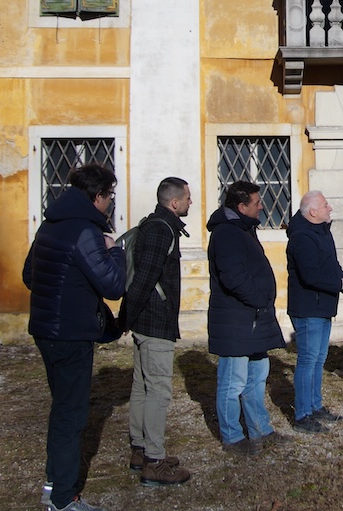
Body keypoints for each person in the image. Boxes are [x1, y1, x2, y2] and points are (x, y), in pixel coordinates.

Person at [23, 163, 124, 511]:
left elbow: (28, 276)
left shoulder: (49, 225)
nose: (110, 203)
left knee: (62, 409)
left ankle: (54, 485)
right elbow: (113, 285)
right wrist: (115, 251)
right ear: (96, 196)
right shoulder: (85, 232)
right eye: (109, 196)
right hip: (70, 334)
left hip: (45, 330)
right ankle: (64, 499)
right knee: (72, 415)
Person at [206, 180, 286, 456]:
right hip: (236, 321)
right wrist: (258, 300)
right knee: (233, 382)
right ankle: (232, 437)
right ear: (241, 207)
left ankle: (260, 430)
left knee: (257, 377)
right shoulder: (227, 234)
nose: (262, 206)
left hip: (253, 319)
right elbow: (233, 277)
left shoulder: (243, 229)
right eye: (257, 202)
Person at [121, 177, 193, 486]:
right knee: (158, 391)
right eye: (188, 198)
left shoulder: (157, 226)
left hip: (147, 320)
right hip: (154, 322)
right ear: (174, 202)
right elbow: (145, 279)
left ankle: (140, 448)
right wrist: (124, 319)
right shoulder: (160, 230)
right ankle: (153, 459)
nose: (191, 202)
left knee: (143, 386)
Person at [285, 190, 343, 433]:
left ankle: (315, 407)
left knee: (318, 359)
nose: (330, 209)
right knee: (307, 361)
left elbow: (332, 265)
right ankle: (303, 415)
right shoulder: (302, 237)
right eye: (326, 205)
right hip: (308, 308)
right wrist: (340, 284)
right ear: (313, 212)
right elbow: (311, 275)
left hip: (322, 306)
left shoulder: (321, 232)